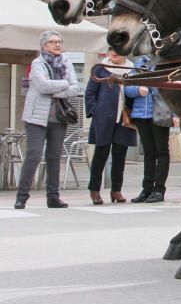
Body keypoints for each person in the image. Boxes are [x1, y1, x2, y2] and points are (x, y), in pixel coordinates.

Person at [14, 31, 82, 209]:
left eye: (59, 41)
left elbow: (76, 88)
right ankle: (21, 196)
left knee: (54, 157)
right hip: (36, 117)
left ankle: (53, 197)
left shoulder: (66, 62)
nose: (57, 45)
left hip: (59, 117)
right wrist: (64, 84)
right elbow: (42, 86)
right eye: (53, 42)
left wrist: (56, 90)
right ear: (44, 45)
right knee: (34, 155)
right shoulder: (38, 63)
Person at [85, 52, 138, 204]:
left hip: (124, 118)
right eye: (112, 49)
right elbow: (90, 93)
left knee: (120, 156)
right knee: (100, 154)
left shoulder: (132, 70)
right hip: (104, 118)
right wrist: (95, 110)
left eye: (118, 50)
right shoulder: (101, 69)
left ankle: (116, 190)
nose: (114, 52)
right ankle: (94, 190)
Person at [125, 54, 170, 203]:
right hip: (141, 114)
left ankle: (159, 190)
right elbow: (128, 88)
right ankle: (147, 189)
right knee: (149, 153)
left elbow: (168, 88)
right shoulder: (140, 64)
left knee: (161, 151)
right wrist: (138, 90)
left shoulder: (166, 62)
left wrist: (149, 86)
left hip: (160, 112)